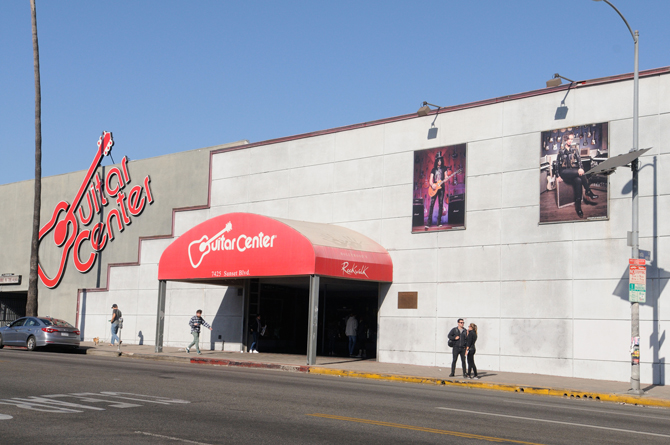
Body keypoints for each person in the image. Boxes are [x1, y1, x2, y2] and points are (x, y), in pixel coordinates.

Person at [556, 132, 598, 218]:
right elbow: (557, 164)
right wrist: (557, 175)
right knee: (580, 173)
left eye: (571, 139)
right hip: (564, 172)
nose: (570, 141)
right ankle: (588, 191)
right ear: (565, 139)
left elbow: (579, 161)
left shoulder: (575, 150)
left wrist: (581, 168)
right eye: (569, 139)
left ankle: (578, 207)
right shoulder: (560, 151)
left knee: (578, 180)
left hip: (571, 171)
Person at [426, 151, 448, 229]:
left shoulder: (444, 168)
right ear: (436, 161)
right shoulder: (433, 169)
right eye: (438, 160)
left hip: (441, 187)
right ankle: (428, 223)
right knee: (431, 204)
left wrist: (446, 178)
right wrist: (432, 185)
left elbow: (446, 176)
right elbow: (430, 180)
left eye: (441, 160)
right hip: (434, 188)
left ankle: (439, 222)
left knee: (441, 204)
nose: (440, 162)